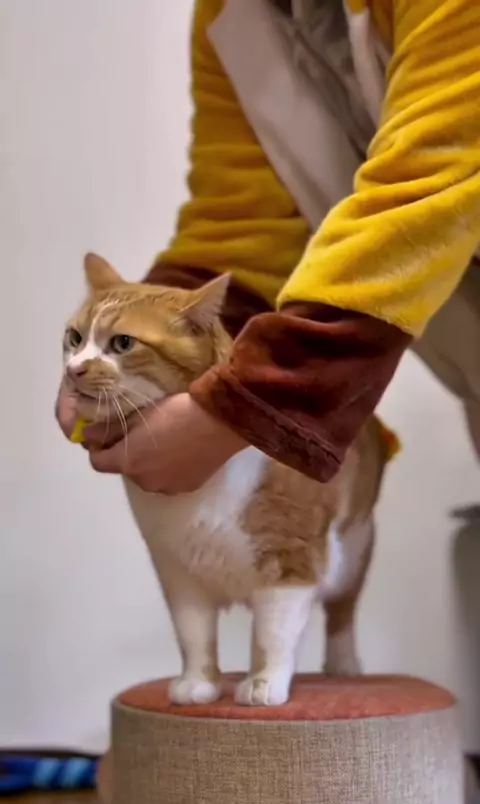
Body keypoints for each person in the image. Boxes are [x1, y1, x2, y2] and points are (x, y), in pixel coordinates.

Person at [56, 0, 480, 494]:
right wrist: (148, 337)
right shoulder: (227, 12)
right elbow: (243, 228)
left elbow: (439, 178)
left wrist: (246, 404)